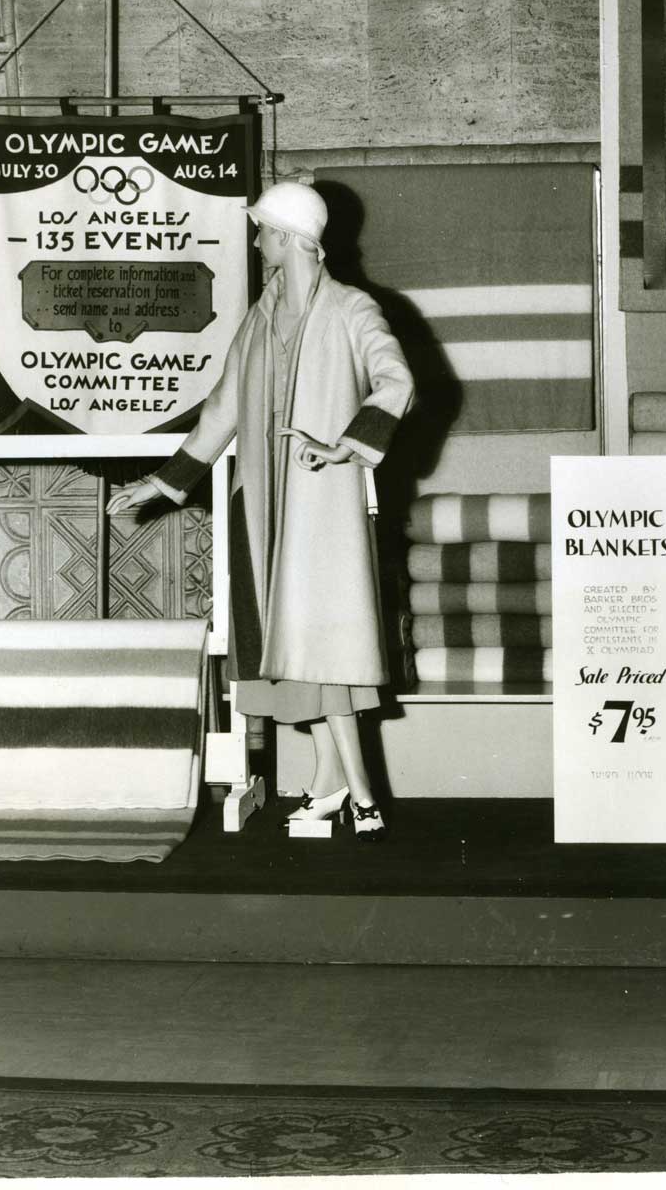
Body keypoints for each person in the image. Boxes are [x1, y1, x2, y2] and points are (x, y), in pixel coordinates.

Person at [107, 181, 413, 842]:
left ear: (285, 237)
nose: (254, 242)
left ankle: (358, 795)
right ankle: (333, 787)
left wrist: (348, 445)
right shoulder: (259, 317)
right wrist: (164, 484)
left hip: (325, 505)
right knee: (295, 648)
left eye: (261, 231)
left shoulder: (353, 309)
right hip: (263, 507)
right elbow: (221, 410)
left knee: (328, 645)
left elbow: (398, 381)